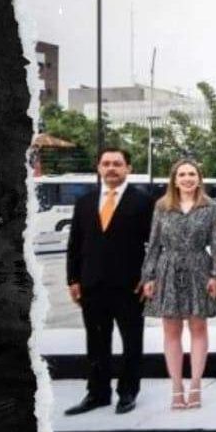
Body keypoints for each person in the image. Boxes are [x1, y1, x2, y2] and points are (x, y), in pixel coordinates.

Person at [64, 147, 153, 416]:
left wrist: (149, 277)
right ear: (98, 168)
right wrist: (73, 278)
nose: (111, 168)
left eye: (117, 163)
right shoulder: (85, 202)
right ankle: (97, 393)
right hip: (92, 285)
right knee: (97, 342)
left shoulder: (143, 202)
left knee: (131, 342)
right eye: (106, 163)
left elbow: (156, 244)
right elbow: (75, 243)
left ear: (128, 168)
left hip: (130, 286)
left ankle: (127, 392)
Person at [140, 159, 216, 409]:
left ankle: (196, 384)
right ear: (174, 180)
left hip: (200, 268)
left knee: (198, 327)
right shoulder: (162, 206)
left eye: (192, 174)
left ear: (199, 178)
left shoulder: (211, 208)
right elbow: (154, 243)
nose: (187, 178)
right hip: (168, 269)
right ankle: (177, 385)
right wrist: (149, 276)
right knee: (171, 330)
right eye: (182, 174)